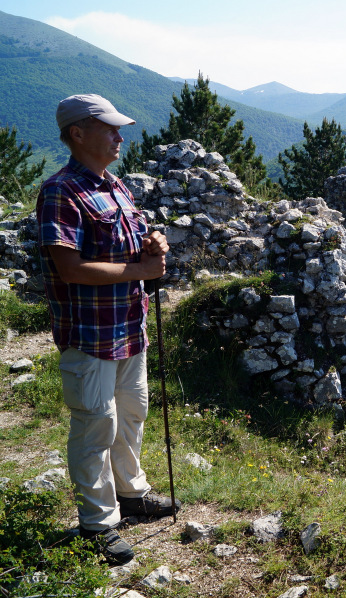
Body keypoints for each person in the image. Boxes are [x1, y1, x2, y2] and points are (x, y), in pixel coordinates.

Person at [36, 94, 180, 566]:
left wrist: (153, 239)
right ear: (78, 134)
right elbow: (70, 267)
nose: (120, 137)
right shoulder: (62, 192)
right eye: (110, 129)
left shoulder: (115, 185)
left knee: (131, 414)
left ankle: (131, 494)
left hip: (127, 327)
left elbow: (133, 240)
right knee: (96, 425)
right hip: (90, 335)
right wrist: (141, 271)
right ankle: (98, 523)